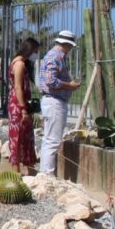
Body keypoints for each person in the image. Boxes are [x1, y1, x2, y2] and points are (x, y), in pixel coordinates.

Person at [38, 30, 82, 174]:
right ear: (66, 44)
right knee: (52, 141)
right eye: (70, 46)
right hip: (54, 102)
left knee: (48, 140)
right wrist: (70, 85)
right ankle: (48, 176)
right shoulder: (55, 56)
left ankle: (45, 174)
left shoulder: (53, 55)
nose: (70, 49)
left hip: (52, 102)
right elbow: (51, 81)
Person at [7, 38, 40, 175]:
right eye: (36, 51)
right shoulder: (19, 64)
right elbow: (18, 87)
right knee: (18, 136)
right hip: (18, 106)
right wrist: (24, 109)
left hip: (21, 104)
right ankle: (17, 172)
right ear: (30, 50)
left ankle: (30, 169)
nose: (36, 54)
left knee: (27, 136)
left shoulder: (20, 63)